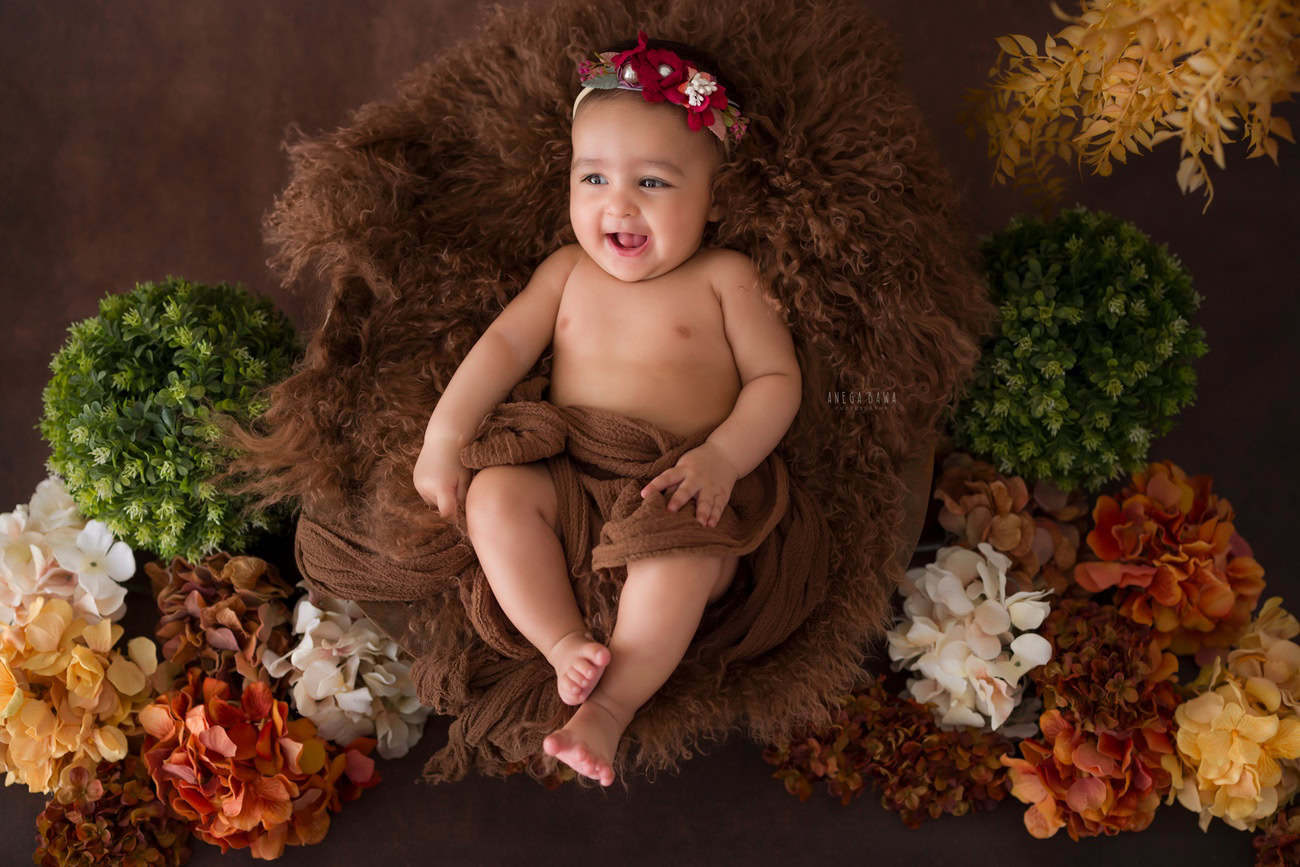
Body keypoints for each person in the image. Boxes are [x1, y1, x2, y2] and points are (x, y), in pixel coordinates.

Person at [411, 31, 800, 787]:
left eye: (652, 183)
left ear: (712, 197)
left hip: (676, 484)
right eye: (592, 178)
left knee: (684, 545)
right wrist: (445, 434)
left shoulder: (728, 278)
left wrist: (722, 456)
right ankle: (562, 643)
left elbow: (776, 382)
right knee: (495, 492)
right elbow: (499, 348)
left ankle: (610, 708)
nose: (616, 204)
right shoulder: (564, 272)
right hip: (569, 471)